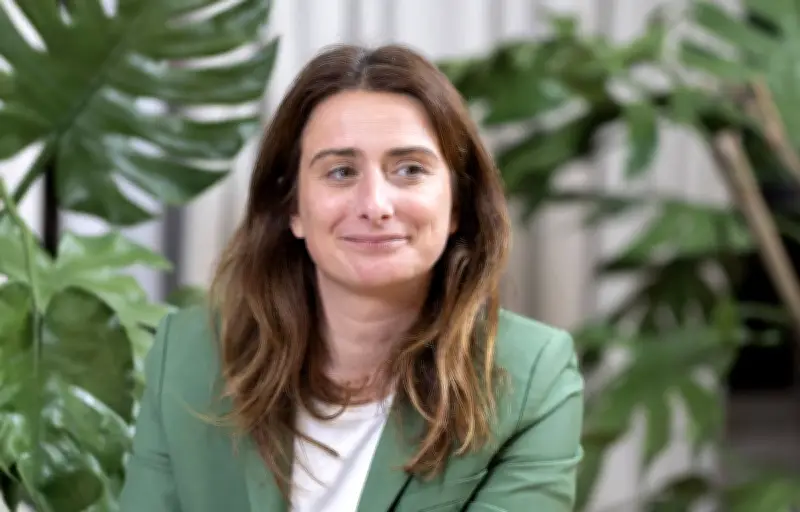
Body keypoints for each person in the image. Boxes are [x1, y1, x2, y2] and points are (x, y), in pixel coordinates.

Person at [119, 44, 583, 512]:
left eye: (410, 170)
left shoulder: (531, 377)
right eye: (340, 172)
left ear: (457, 205)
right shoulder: (186, 357)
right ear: (293, 208)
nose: (375, 205)